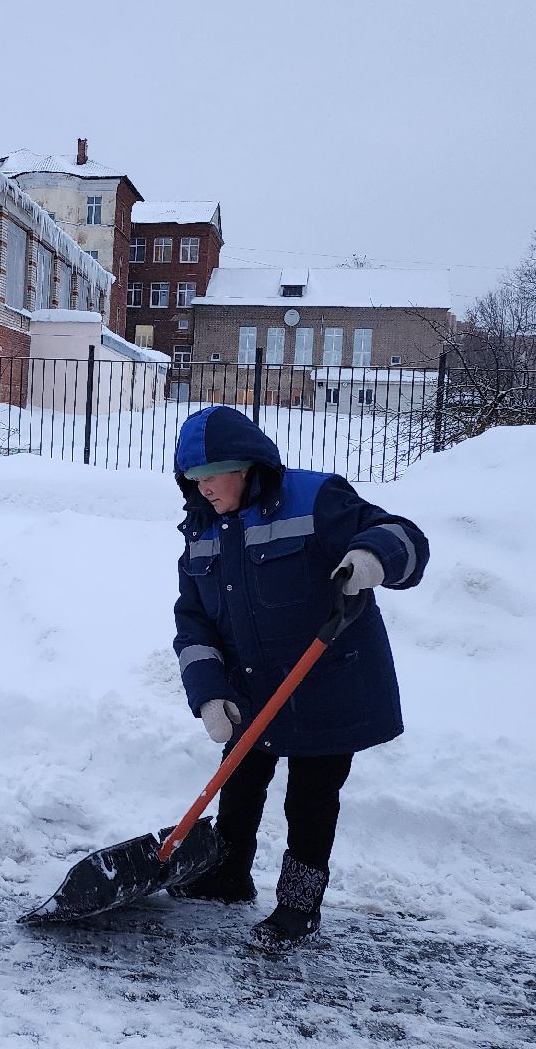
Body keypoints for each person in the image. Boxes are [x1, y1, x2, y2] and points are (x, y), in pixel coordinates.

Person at [167, 404, 428, 946]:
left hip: (326, 683)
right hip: (252, 688)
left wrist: (372, 556)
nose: (203, 488)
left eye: (212, 475)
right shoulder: (201, 529)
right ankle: (228, 875)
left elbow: (402, 535)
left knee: (310, 800)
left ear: (246, 466)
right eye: (193, 478)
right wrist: (209, 694)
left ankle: (299, 905)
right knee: (240, 783)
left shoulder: (315, 498)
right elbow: (193, 622)